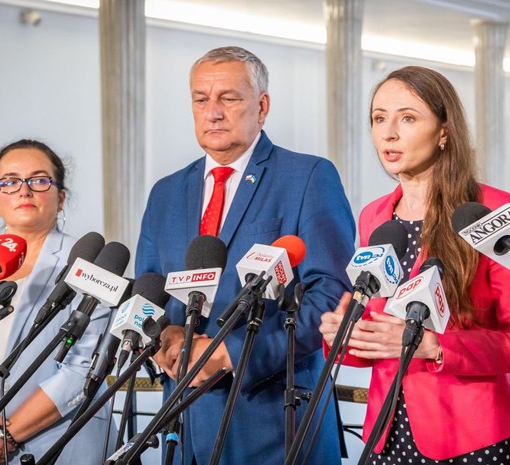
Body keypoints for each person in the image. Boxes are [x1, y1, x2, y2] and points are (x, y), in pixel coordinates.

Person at [135, 46, 355, 464]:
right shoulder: (165, 193)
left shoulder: (307, 177)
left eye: (229, 98)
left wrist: (229, 353)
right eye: (201, 99)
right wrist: (162, 338)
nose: (213, 112)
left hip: (275, 425)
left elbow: (330, 297)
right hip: (183, 428)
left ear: (262, 106)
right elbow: (147, 290)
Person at [319, 66, 510, 464]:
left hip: (471, 438)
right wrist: (346, 334)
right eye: (379, 118)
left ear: (444, 131)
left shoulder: (493, 211)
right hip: (387, 436)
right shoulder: (374, 216)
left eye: (407, 118)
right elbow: (378, 342)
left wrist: (433, 346)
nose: (388, 133)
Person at [0, 139, 114, 464]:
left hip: (53, 446)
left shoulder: (89, 262)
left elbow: (82, 368)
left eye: (39, 180)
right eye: (9, 182)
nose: (24, 190)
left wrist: (0, 439)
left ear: (60, 198)